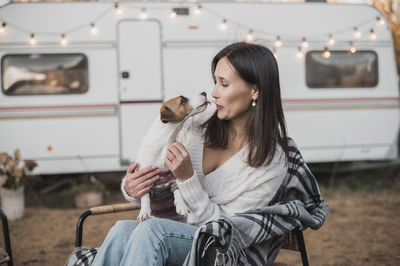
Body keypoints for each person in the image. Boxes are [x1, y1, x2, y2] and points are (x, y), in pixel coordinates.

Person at [91, 42, 289, 266]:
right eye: (215, 81)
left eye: (223, 84)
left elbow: (227, 230)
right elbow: (156, 172)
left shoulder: (271, 162)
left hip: (221, 247)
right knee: (121, 230)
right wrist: (132, 187)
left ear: (255, 90)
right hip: (173, 228)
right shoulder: (197, 122)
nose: (214, 93)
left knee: (154, 231)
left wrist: (187, 178)